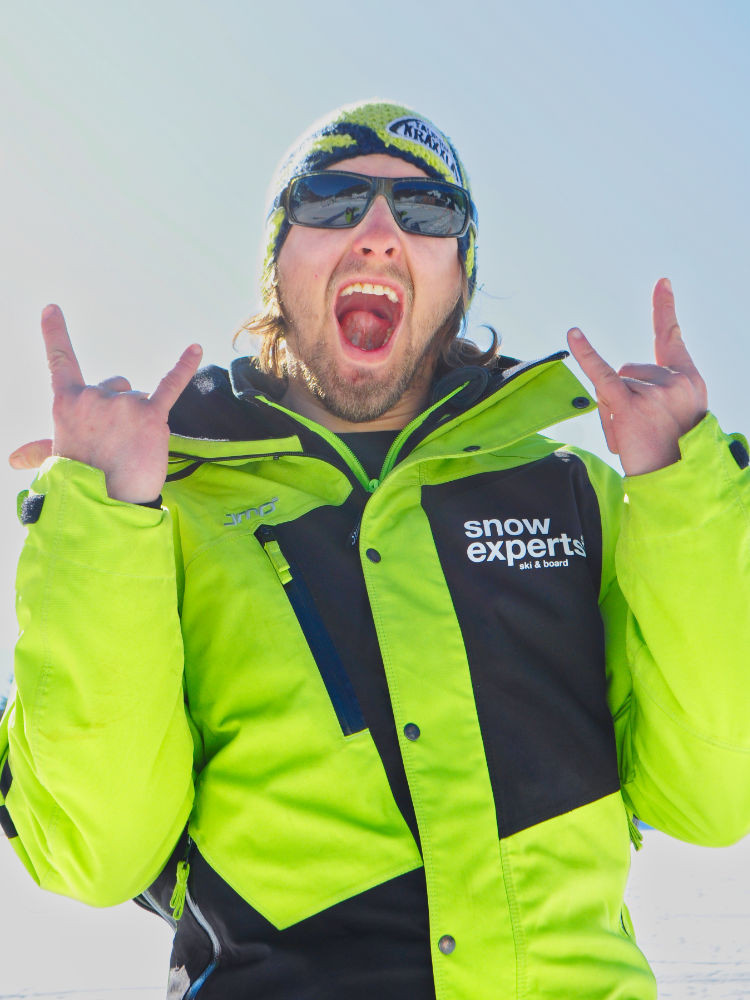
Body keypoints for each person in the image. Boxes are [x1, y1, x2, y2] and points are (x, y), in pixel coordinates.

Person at [1, 100, 749, 1000]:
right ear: (276, 267)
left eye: (427, 213)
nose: (381, 233)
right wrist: (103, 520)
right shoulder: (169, 513)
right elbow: (97, 849)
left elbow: (713, 794)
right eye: (331, 201)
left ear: (460, 276)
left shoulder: (577, 494)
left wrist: (685, 492)